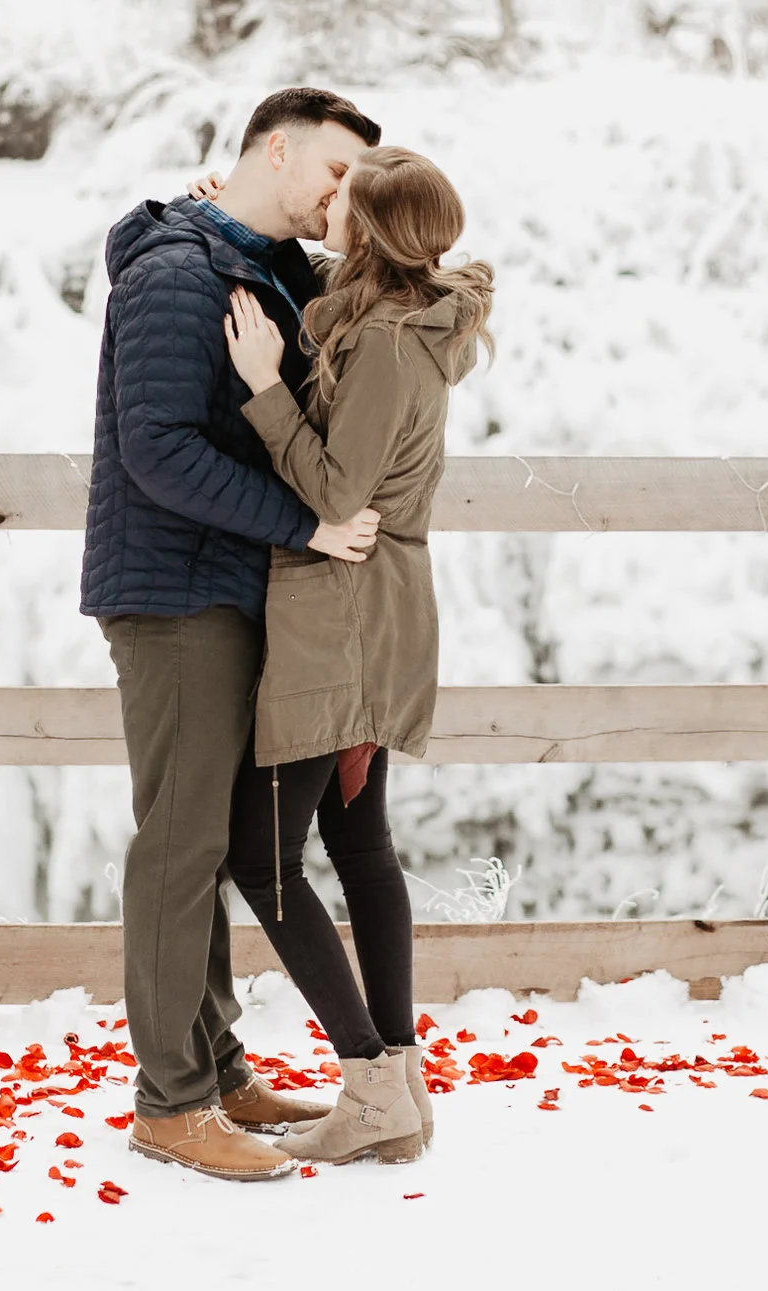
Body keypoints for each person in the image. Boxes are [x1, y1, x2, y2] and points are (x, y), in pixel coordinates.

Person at [80, 87, 389, 1183]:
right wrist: (305, 521)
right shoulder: (180, 273)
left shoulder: (256, 261)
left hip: (227, 590)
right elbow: (155, 447)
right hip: (174, 596)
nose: (341, 198)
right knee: (177, 844)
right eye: (335, 174)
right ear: (276, 146)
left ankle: (211, 1071)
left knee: (205, 841)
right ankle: (169, 1102)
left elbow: (360, 307)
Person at [214, 146, 495, 1166]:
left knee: (263, 856)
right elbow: (330, 289)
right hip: (372, 604)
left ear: (370, 235)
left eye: (343, 201)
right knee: (358, 840)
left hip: (347, 605)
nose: (324, 206)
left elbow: (338, 492)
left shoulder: (383, 343)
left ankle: (371, 1078)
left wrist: (260, 388)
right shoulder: (404, 315)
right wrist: (234, 210)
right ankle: (400, 1086)